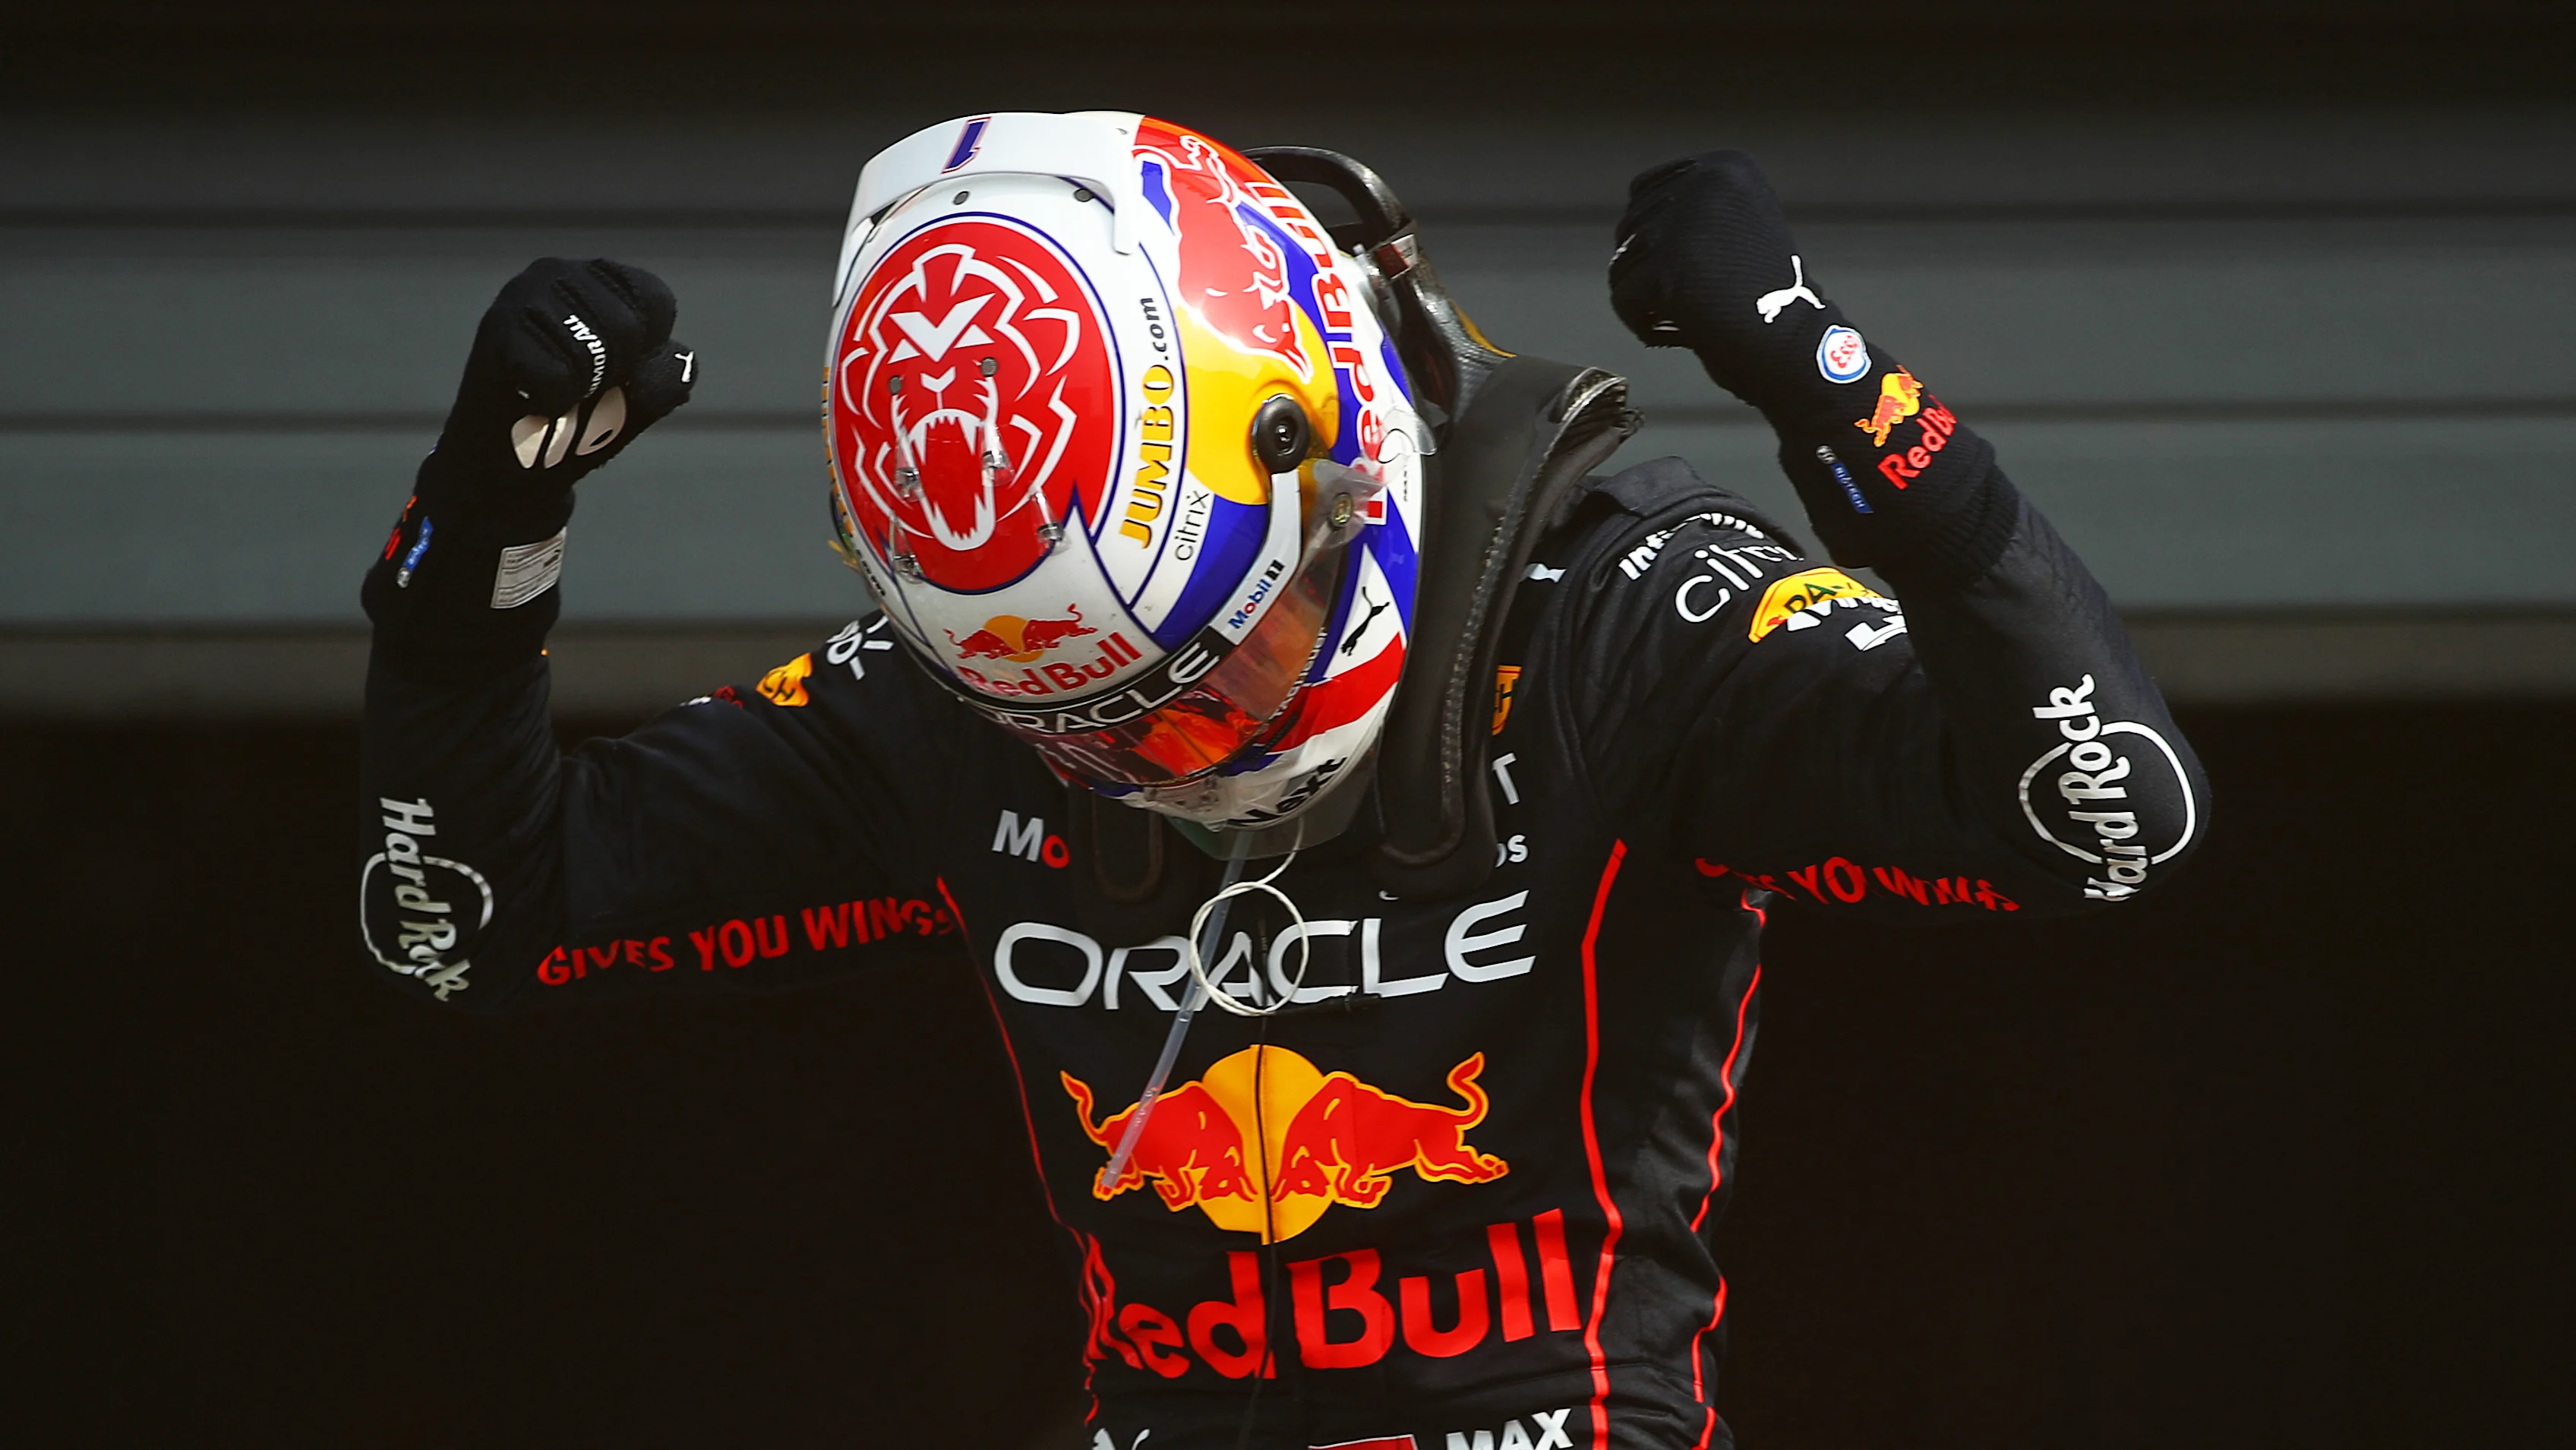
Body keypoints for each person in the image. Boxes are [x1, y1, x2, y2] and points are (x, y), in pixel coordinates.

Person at [357, 112, 2205, 1450]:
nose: (1164, 753)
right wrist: (482, 533)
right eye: (1087, 720)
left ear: (1336, 447)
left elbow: (2106, 815)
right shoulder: (961, 700)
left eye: (1214, 661)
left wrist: (1832, 387)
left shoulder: (1621, 620)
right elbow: (475, 922)